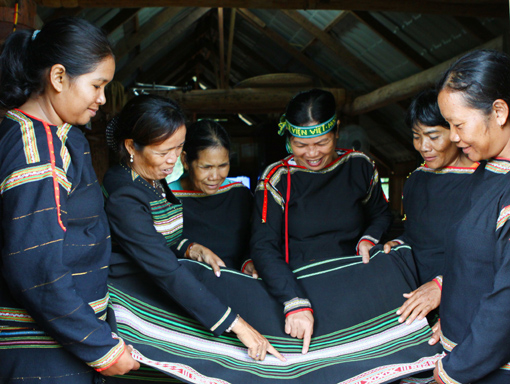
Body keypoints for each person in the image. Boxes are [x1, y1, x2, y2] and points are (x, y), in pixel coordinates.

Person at [0, 17, 139, 383]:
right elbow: (35, 266)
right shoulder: (37, 152)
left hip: (64, 337)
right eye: (97, 85)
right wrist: (101, 349)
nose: (103, 99)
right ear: (59, 78)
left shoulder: (58, 137)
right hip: (41, 353)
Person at [102, 94, 284, 367]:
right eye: (164, 152)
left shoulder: (149, 176)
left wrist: (190, 247)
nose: (172, 160)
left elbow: (159, 236)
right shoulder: (124, 193)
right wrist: (236, 324)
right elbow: (164, 268)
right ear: (131, 146)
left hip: (160, 283)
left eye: (178, 149)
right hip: (134, 297)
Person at [250, 89, 393, 354]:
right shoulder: (276, 178)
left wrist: (369, 238)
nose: (312, 153)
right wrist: (294, 302)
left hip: (353, 282)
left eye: (322, 143)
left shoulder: (359, 165)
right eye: (301, 145)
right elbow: (263, 245)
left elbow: (381, 214)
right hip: (296, 286)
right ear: (289, 140)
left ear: (337, 131)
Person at [434, 49, 510, 383]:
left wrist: (454, 371)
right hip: (463, 351)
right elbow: (471, 264)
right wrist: (449, 313)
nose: (452, 136)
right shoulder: (486, 172)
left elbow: (506, 301)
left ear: (499, 111)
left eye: (458, 124)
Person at [383, 89, 477, 329]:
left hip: (461, 298)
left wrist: (446, 290)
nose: (423, 146)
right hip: (415, 297)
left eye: (433, 136)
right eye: (416, 136)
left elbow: (486, 257)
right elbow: (417, 235)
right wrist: (399, 242)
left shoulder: (484, 181)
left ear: (456, 131)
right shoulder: (416, 180)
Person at [170, 119, 255, 274]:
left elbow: (255, 240)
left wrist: (248, 262)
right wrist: (190, 249)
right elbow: (156, 245)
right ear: (185, 161)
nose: (215, 176)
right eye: (206, 167)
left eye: (223, 166)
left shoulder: (239, 194)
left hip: (237, 282)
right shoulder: (166, 198)